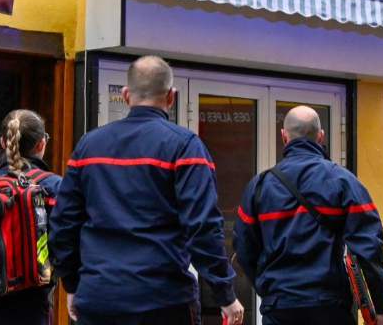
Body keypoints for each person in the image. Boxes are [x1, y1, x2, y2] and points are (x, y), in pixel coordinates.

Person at [49, 56, 244, 325]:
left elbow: (63, 224)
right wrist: (224, 292)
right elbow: (202, 227)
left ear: (126, 95)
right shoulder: (186, 147)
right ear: (171, 97)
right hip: (164, 301)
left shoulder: (88, 147)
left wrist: (72, 283)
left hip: (98, 298)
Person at [234, 106, 383, 325]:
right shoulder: (344, 183)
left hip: (279, 309)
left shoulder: (259, 187)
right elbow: (370, 249)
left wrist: (270, 289)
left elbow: (243, 248)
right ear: (320, 136)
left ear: (283, 135)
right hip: (330, 309)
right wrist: (379, 308)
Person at [0, 109, 62, 325]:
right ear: (41, 144)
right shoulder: (52, 186)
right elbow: (64, 240)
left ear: (1, 142)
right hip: (30, 304)